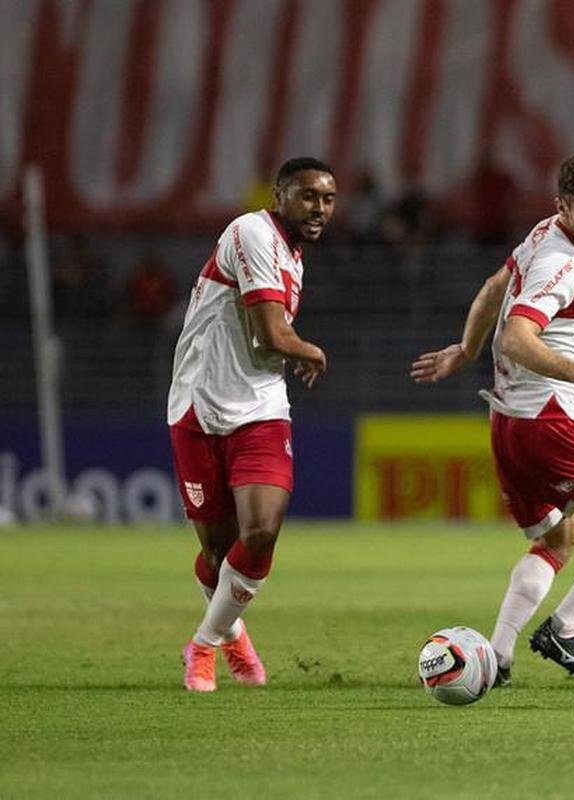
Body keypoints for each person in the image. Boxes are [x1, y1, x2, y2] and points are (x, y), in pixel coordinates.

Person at [410, 154, 574, 685]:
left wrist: (464, 349)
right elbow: (516, 336)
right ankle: (564, 627)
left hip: (508, 424)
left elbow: (492, 287)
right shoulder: (562, 264)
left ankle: (497, 659)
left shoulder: (546, 234)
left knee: (557, 540)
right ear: (563, 209)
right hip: (550, 424)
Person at [168, 157, 336, 692]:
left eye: (329, 199)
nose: (320, 208)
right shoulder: (250, 232)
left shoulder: (293, 256)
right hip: (199, 405)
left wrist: (295, 351)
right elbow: (270, 337)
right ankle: (234, 638)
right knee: (218, 553)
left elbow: (267, 341)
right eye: (308, 196)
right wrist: (310, 351)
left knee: (260, 532)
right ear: (279, 195)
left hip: (260, 409)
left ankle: (202, 646)